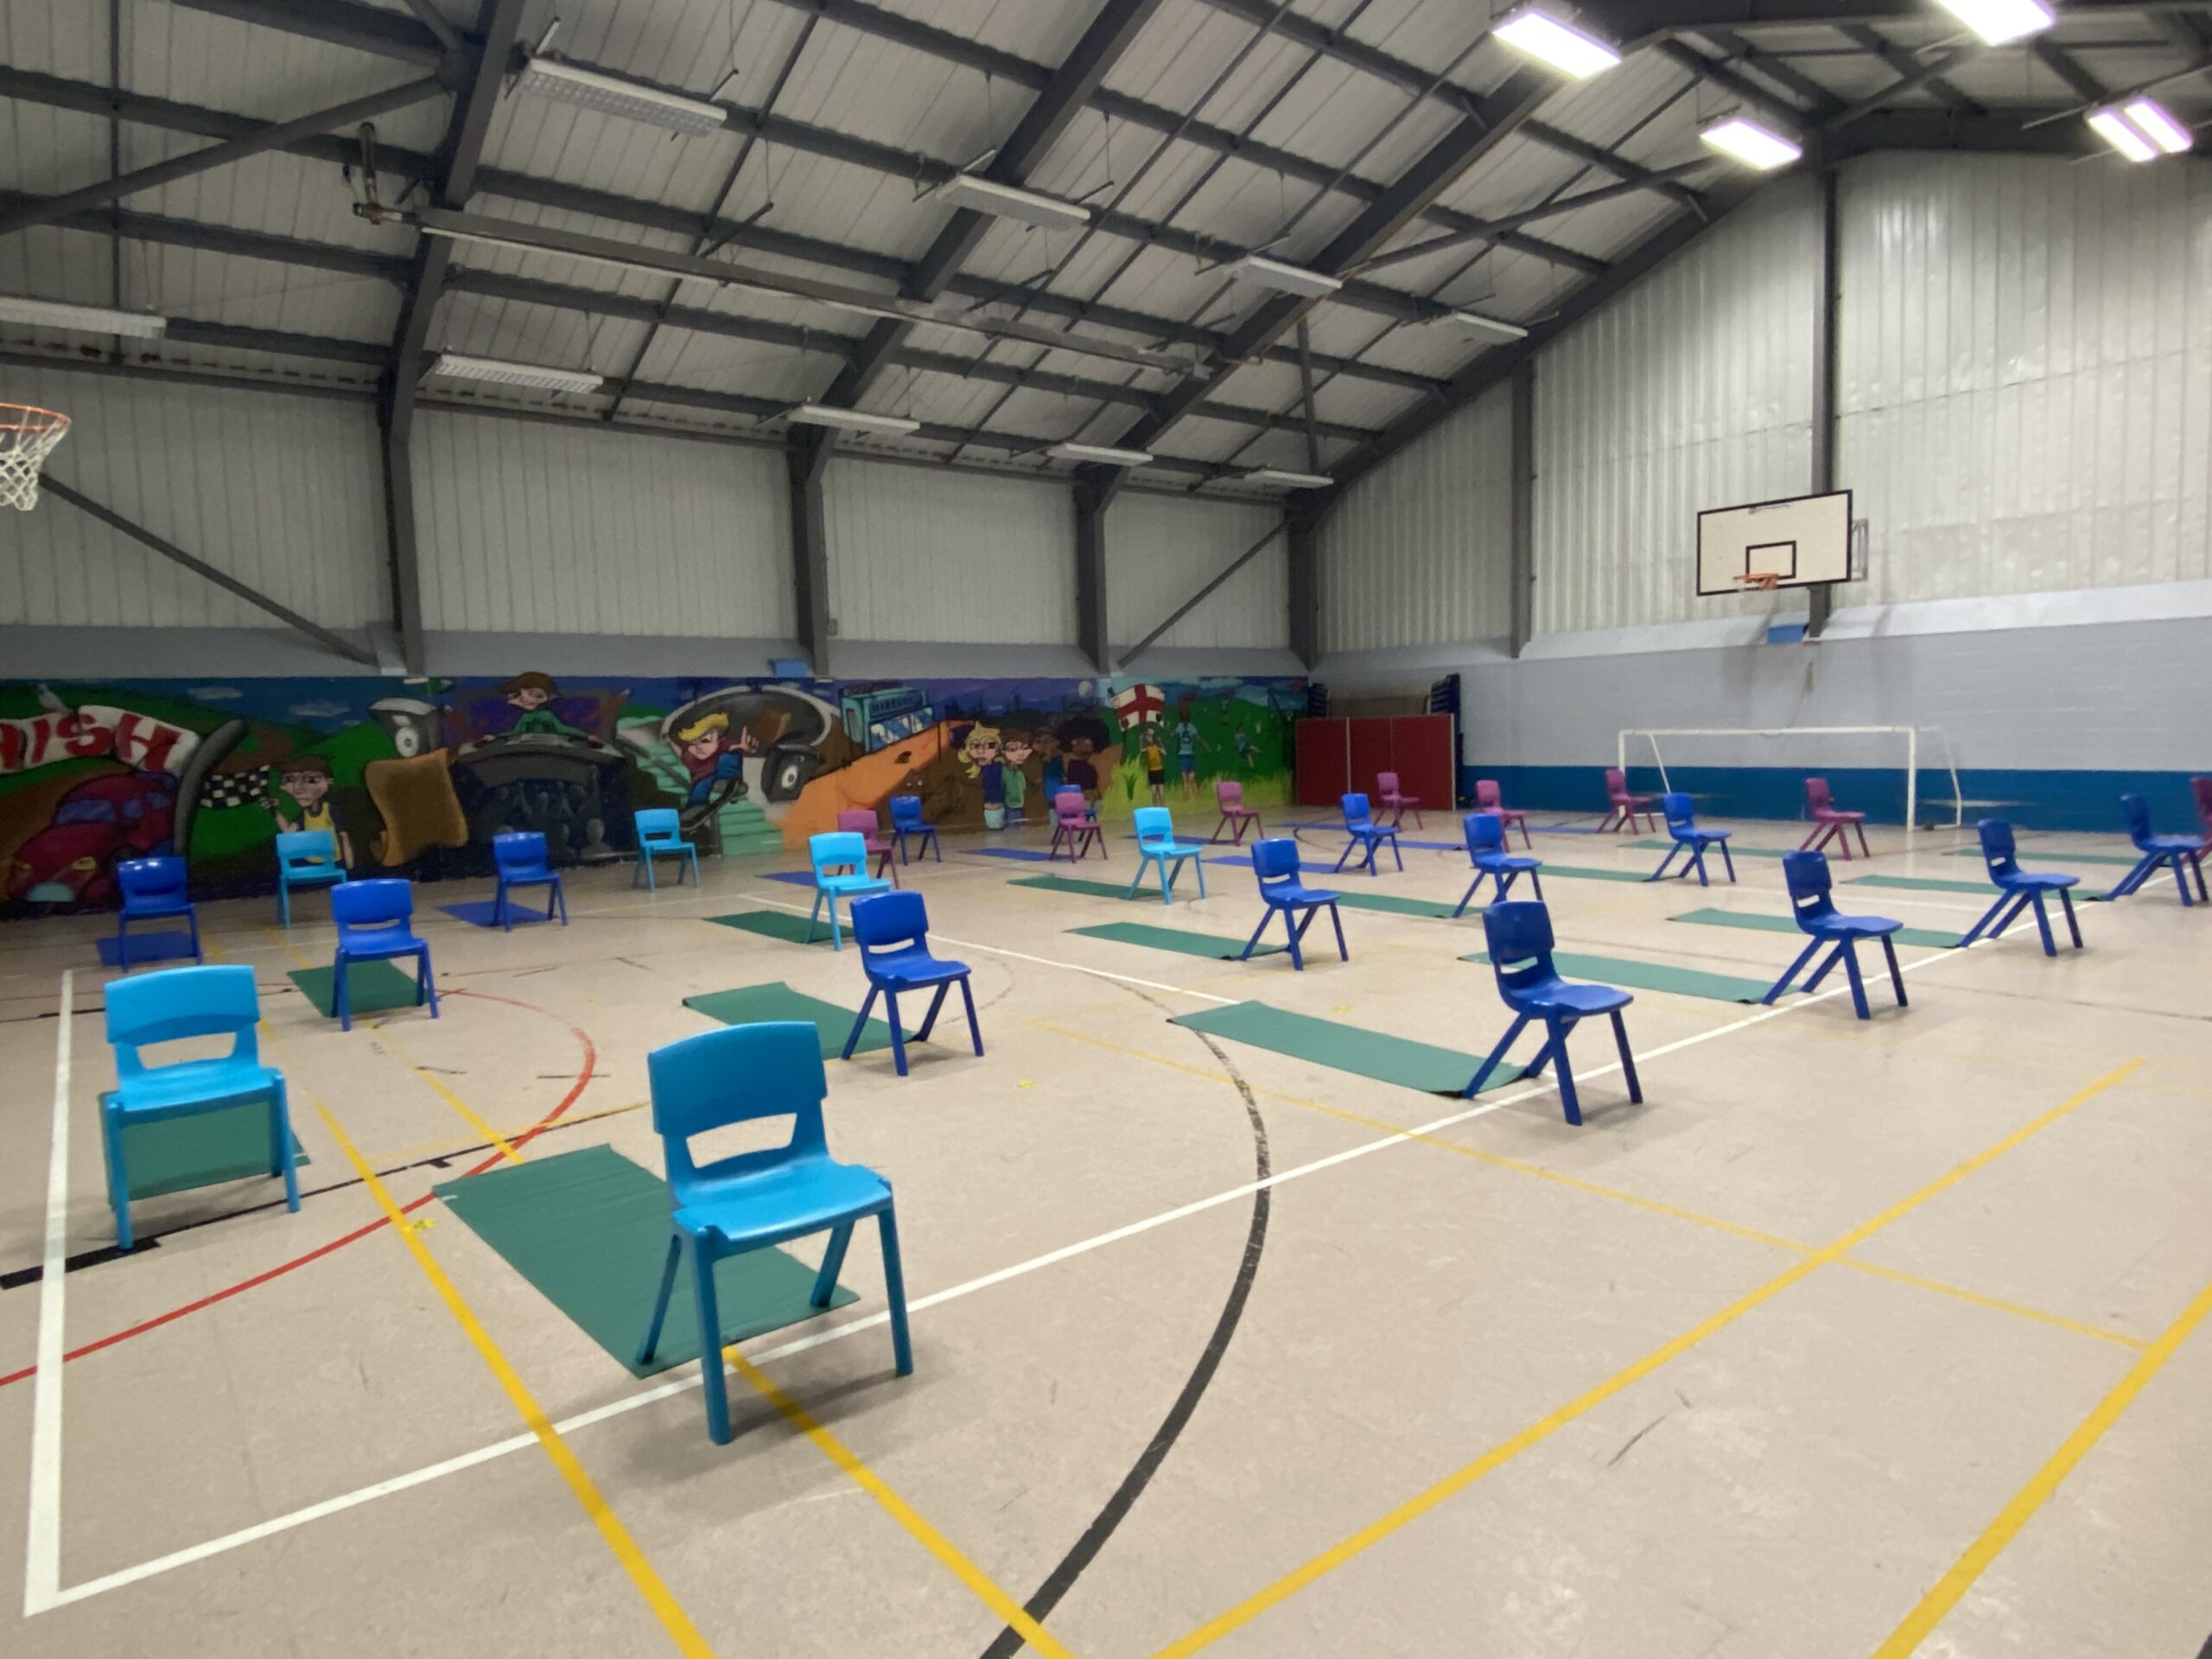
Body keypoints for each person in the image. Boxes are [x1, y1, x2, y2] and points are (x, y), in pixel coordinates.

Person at [268, 754, 353, 868]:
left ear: (328, 782)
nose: (298, 788)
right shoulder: (304, 814)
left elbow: (343, 836)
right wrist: (274, 811)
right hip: (310, 861)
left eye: (311, 779)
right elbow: (288, 832)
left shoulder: (330, 810)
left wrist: (349, 864)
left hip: (333, 861)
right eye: (289, 779)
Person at [671, 711, 754, 806]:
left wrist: (742, 747)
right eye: (692, 743)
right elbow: (680, 753)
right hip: (706, 779)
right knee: (700, 787)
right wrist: (670, 742)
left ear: (720, 738)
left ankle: (728, 781)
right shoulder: (690, 756)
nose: (699, 747)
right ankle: (696, 807)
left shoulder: (722, 747)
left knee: (728, 756)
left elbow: (732, 747)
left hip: (723, 775)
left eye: (705, 740)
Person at [493, 671, 589, 739]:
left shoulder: (547, 716)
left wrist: (586, 736)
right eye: (516, 696)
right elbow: (515, 733)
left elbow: (562, 729)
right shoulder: (526, 717)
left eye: (535, 694)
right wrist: (495, 737)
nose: (525, 699)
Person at [1172, 706, 1209, 799]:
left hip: (1186, 754)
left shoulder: (1183, 726)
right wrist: (1205, 744)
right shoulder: (1189, 726)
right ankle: (1187, 796)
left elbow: (1174, 733)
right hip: (1185, 754)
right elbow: (1198, 737)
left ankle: (1192, 796)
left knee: (1190, 777)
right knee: (1187, 777)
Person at [1001, 731, 1033, 826]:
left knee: (1018, 825)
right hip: (1009, 805)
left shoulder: (1019, 773)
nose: (1020, 753)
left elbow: (1023, 786)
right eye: (1012, 749)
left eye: (1025, 748)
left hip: (1019, 805)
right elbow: (1003, 785)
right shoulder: (1004, 771)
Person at [1139, 725, 1168, 805]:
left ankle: (1162, 806)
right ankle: (1156, 807)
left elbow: (1165, 753)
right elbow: (1141, 749)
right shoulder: (1148, 747)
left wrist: (1160, 746)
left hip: (1158, 769)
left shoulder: (1157, 745)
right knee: (1154, 791)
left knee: (1160, 790)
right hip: (1152, 770)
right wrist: (1141, 739)